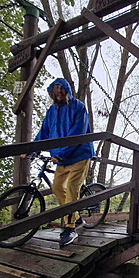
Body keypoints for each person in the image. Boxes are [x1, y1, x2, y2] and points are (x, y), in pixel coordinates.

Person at [32, 78, 95, 245]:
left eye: (62, 90)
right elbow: (44, 132)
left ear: (67, 91)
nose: (59, 94)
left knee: (72, 187)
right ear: (52, 93)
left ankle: (70, 227)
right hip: (61, 157)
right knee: (57, 187)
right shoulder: (52, 111)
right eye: (56, 91)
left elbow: (77, 134)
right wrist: (32, 150)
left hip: (79, 154)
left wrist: (61, 154)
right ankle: (75, 216)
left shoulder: (78, 107)